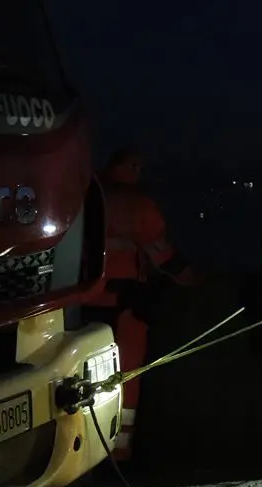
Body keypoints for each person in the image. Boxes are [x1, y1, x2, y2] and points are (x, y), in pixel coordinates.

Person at [80, 147, 201, 464]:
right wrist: (193, 280)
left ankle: (85, 449)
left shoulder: (88, 198)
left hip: (84, 303)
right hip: (125, 305)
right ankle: (119, 451)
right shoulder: (136, 204)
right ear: (132, 166)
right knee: (127, 376)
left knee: (84, 379)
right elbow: (164, 255)